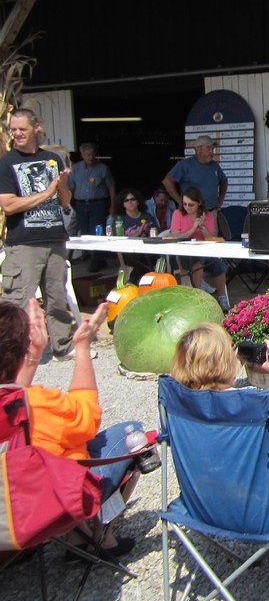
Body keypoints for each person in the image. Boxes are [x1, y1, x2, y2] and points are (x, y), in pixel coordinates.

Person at [0, 299, 144, 557]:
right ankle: (100, 539)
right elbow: (88, 419)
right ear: (20, 351)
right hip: (38, 506)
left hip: (6, 510)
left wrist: (32, 358)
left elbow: (10, 397)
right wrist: (82, 347)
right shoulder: (38, 403)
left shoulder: (13, 409)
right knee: (134, 434)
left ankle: (77, 537)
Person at [169, 322, 269, 535]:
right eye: (230, 350)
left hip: (208, 507)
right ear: (222, 362)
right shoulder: (252, 402)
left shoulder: (176, 407)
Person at [0, 108, 76, 361]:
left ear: (36, 128)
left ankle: (62, 347)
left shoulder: (52, 159)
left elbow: (64, 202)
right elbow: (9, 205)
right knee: (18, 301)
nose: (17, 133)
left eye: (22, 128)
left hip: (54, 238)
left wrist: (62, 187)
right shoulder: (7, 163)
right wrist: (46, 193)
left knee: (57, 298)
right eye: (13, 129)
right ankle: (12, 354)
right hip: (24, 243)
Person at [167, 186, 230, 311]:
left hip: (203, 251)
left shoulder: (207, 215)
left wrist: (202, 227)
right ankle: (198, 296)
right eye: (184, 204)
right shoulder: (178, 214)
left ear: (199, 203)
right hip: (183, 253)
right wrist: (192, 229)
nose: (187, 207)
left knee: (218, 264)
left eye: (191, 205)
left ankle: (222, 298)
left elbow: (212, 237)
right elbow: (175, 235)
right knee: (198, 262)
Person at [67, 142, 116, 270]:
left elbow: (111, 187)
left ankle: (97, 261)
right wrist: (68, 204)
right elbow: (70, 188)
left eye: (92, 154)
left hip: (98, 204)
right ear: (82, 155)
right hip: (81, 204)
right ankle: (94, 257)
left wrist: (112, 205)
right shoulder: (75, 169)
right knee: (85, 232)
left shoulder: (103, 168)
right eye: (88, 155)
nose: (91, 157)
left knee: (97, 231)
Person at [163, 134, 227, 214]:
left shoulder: (215, 166)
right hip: (191, 213)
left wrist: (220, 200)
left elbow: (224, 181)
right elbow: (167, 180)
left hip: (211, 212)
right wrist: (180, 201)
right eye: (209, 148)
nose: (212, 151)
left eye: (212, 149)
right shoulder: (185, 165)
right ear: (198, 149)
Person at [110, 187, 160, 284]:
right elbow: (116, 239)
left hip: (148, 252)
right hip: (129, 253)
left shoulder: (147, 216)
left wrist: (148, 231)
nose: (130, 202)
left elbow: (158, 235)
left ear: (138, 201)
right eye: (126, 200)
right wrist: (138, 233)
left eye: (132, 199)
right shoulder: (119, 219)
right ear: (123, 204)